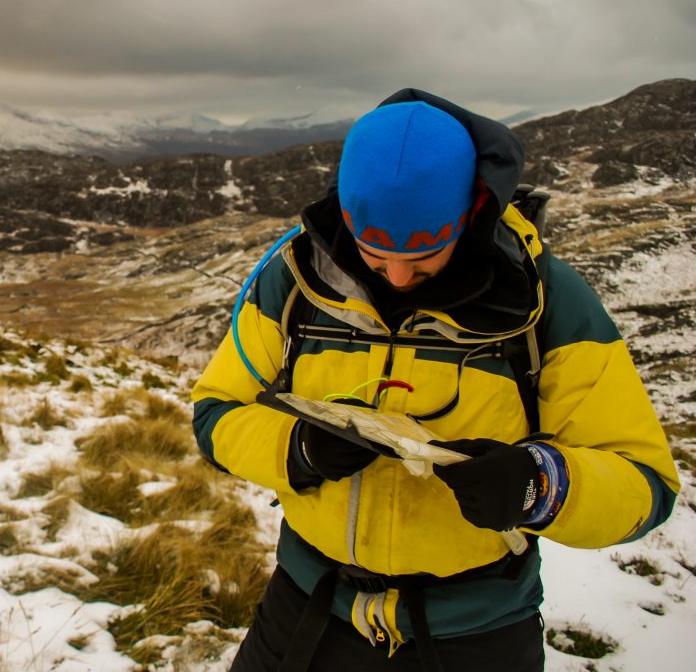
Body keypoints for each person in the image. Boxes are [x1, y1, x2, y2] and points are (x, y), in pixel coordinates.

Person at [191, 89, 680, 672]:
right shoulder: (295, 282)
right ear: (347, 217)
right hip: (305, 610)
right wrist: (297, 449)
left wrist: (538, 485)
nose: (398, 278)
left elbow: (646, 484)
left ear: (469, 216)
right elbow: (215, 413)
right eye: (375, 257)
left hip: (475, 632)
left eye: (425, 258)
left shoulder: (546, 301)